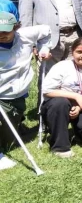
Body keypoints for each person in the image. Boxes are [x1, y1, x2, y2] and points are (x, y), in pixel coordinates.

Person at [0, 13, 52, 170]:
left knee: (9, 140)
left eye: (5, 31)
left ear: (15, 28)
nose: (2, 35)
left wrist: (44, 49)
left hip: (18, 93)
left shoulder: (26, 35)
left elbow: (46, 31)